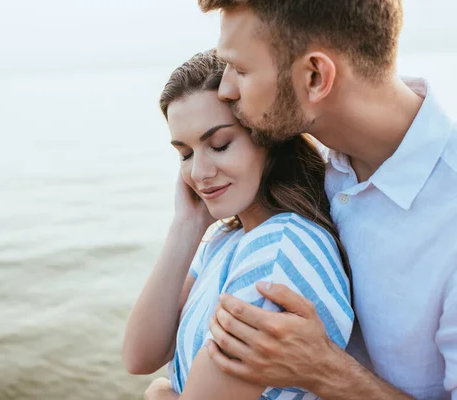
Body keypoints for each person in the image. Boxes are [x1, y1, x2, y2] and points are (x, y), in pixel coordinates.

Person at [160, 1, 457, 399]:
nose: (226, 87)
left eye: (242, 70)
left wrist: (327, 371)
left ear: (315, 76)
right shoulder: (306, 168)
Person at [122, 50, 353, 399]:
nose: (199, 172)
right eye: (185, 154)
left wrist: (159, 393)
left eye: (219, 145)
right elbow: (140, 355)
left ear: (268, 137)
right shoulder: (227, 240)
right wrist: (186, 224)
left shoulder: (280, 249)